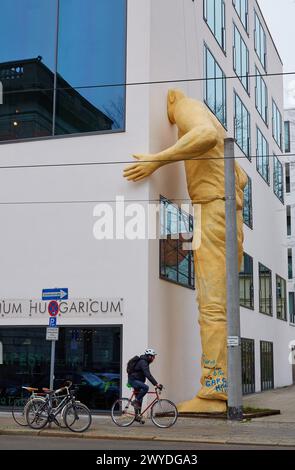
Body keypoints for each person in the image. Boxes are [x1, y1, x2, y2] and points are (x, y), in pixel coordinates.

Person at [123, 90, 247, 413]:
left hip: (213, 210)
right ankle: (222, 387)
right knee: (221, 305)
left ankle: (213, 391)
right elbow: (242, 178)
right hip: (228, 217)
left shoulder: (187, 107)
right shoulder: (217, 126)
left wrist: (156, 159)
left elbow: (202, 136)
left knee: (212, 306)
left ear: (171, 98)